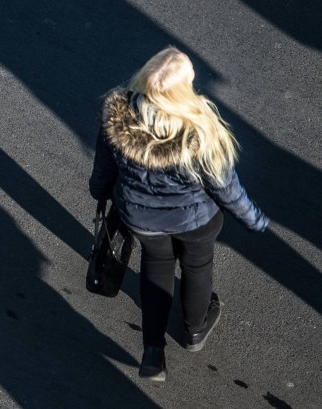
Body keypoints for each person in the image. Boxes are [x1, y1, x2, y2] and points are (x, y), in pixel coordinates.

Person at [89, 47, 269, 381]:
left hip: (141, 219)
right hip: (196, 221)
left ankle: (153, 352)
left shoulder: (117, 116)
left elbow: (104, 166)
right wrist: (253, 220)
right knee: (197, 268)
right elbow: (226, 188)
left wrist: (99, 192)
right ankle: (194, 331)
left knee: (156, 267)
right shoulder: (200, 131)